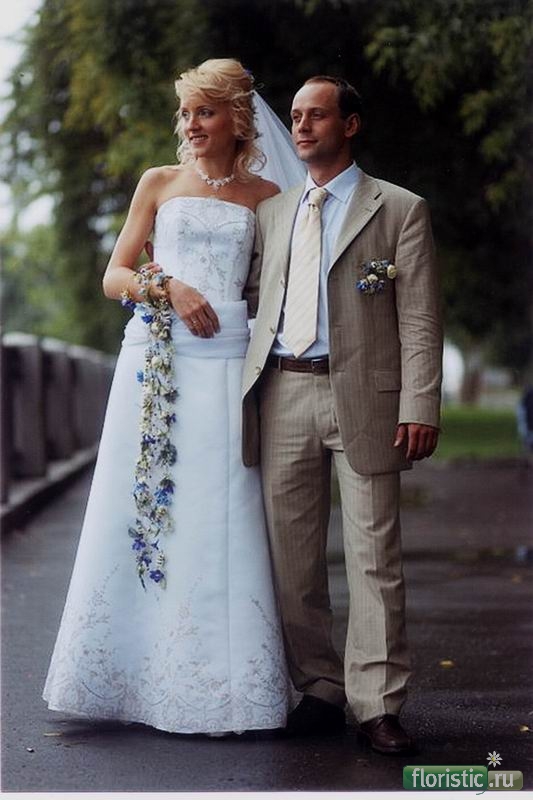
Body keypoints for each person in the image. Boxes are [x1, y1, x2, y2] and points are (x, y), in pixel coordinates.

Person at [43, 58, 303, 736]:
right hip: (156, 359)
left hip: (228, 362)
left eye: (205, 112)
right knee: (139, 502)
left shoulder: (269, 196)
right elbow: (115, 275)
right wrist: (170, 288)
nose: (190, 124)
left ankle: (224, 683)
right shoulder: (158, 183)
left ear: (237, 120)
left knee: (221, 508)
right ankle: (129, 673)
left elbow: (277, 289)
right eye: (186, 112)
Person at [242, 76, 443, 753]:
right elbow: (252, 298)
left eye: (317, 116)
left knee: (374, 557)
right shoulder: (273, 212)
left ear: (349, 125)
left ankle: (378, 703)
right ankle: (321, 689)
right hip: (282, 393)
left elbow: (419, 318)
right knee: (292, 560)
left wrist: (420, 402)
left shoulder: (400, 209)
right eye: (295, 116)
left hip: (370, 400)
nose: (301, 127)